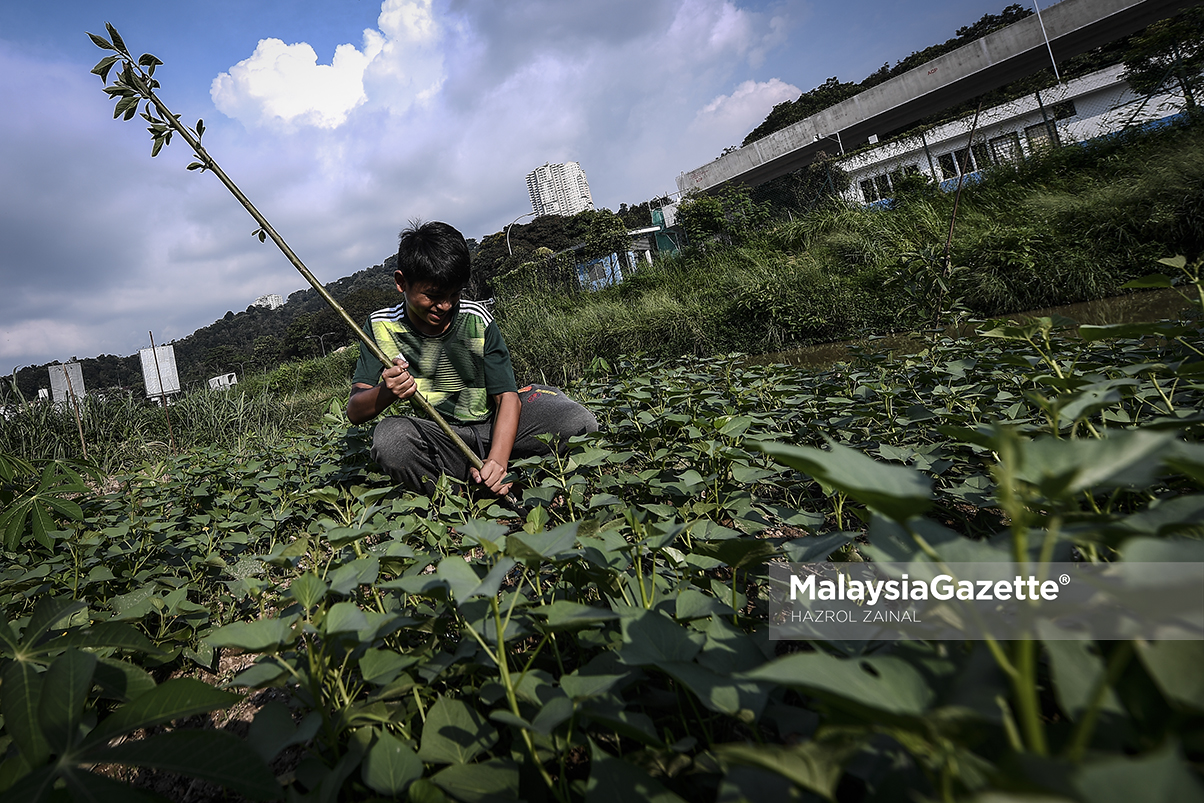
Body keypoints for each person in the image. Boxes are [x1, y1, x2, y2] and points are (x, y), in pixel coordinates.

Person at [347, 220, 598, 496]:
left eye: (454, 294)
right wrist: (387, 392)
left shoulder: (476, 319)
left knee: (578, 421)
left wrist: (498, 460)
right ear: (401, 282)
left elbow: (507, 398)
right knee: (390, 441)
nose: (444, 306)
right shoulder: (380, 327)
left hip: (498, 425)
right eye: (433, 296)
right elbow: (355, 411)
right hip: (445, 438)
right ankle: (456, 497)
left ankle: (500, 474)